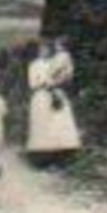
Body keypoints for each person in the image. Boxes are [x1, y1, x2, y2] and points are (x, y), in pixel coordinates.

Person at [27, 38, 82, 167]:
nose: (44, 52)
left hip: (55, 94)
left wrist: (57, 83)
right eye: (41, 50)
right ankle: (40, 158)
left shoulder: (55, 62)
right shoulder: (34, 65)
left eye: (47, 50)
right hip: (41, 96)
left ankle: (59, 157)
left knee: (58, 126)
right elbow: (32, 83)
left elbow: (63, 76)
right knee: (42, 128)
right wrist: (44, 84)